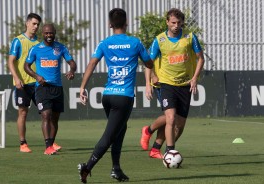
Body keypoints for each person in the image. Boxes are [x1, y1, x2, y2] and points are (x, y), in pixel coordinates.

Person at [77, 8, 153, 183]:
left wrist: (82, 87)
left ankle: (116, 169)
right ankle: (86, 168)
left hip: (108, 95)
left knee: (120, 129)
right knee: (109, 136)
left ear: (110, 24)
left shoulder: (105, 43)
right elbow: (148, 62)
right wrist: (149, 65)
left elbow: (92, 64)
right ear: (126, 23)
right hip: (124, 97)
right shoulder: (135, 43)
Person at [143, 8, 204, 155]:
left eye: (179, 23)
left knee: (180, 125)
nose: (176, 25)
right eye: (173, 22)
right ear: (167, 22)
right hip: (166, 84)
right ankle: (170, 152)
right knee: (170, 118)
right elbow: (148, 62)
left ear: (182, 22)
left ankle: (157, 147)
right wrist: (149, 82)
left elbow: (200, 58)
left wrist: (195, 78)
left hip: (185, 85)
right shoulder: (159, 40)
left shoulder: (189, 37)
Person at [24, 23, 76, 155]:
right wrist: (36, 76)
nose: (49, 35)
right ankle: (47, 147)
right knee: (46, 115)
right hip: (42, 88)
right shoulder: (36, 49)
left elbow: (72, 63)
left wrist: (71, 70)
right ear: (42, 34)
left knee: (55, 118)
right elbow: (26, 66)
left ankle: (51, 144)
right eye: (46, 33)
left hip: (57, 87)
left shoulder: (61, 47)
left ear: (54, 33)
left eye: (51, 33)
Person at [7, 13, 42, 153]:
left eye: (37, 24)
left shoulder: (39, 43)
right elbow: (10, 62)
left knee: (46, 113)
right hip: (23, 83)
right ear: (27, 23)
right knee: (23, 112)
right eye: (33, 23)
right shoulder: (18, 41)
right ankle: (23, 143)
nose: (36, 26)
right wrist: (16, 78)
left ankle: (50, 142)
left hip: (38, 83)